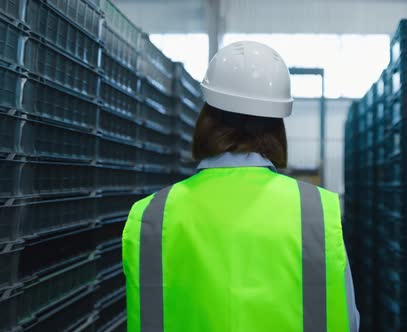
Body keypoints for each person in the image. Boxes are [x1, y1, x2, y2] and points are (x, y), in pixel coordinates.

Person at [122, 41, 359, 332]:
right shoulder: (315, 212)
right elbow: (347, 319)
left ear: (205, 119)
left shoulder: (151, 216)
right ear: (277, 127)